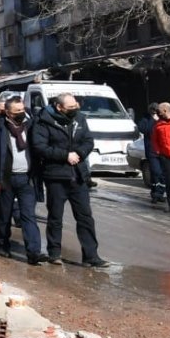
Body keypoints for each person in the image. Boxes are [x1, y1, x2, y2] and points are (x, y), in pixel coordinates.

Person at [31, 92, 112, 268]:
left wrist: (79, 154)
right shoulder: (44, 121)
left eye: (75, 106)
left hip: (78, 175)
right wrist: (64, 156)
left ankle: (91, 255)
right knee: (55, 217)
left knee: (85, 217)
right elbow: (39, 147)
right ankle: (54, 253)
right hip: (56, 176)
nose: (75, 109)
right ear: (59, 107)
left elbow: (88, 141)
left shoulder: (80, 119)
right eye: (70, 107)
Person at [0, 97, 45, 265]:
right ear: (8, 113)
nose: (21, 114)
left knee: (28, 216)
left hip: (27, 178)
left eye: (22, 110)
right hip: (5, 179)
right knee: (4, 215)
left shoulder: (31, 126)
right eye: (17, 111)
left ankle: (34, 252)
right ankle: (3, 244)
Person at [137, 103, 164, 204]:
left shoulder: (163, 119)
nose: (155, 111)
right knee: (155, 172)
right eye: (153, 110)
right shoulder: (146, 119)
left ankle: (161, 193)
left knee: (162, 174)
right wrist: (153, 119)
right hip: (152, 151)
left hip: (163, 151)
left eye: (156, 109)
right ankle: (155, 193)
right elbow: (145, 130)